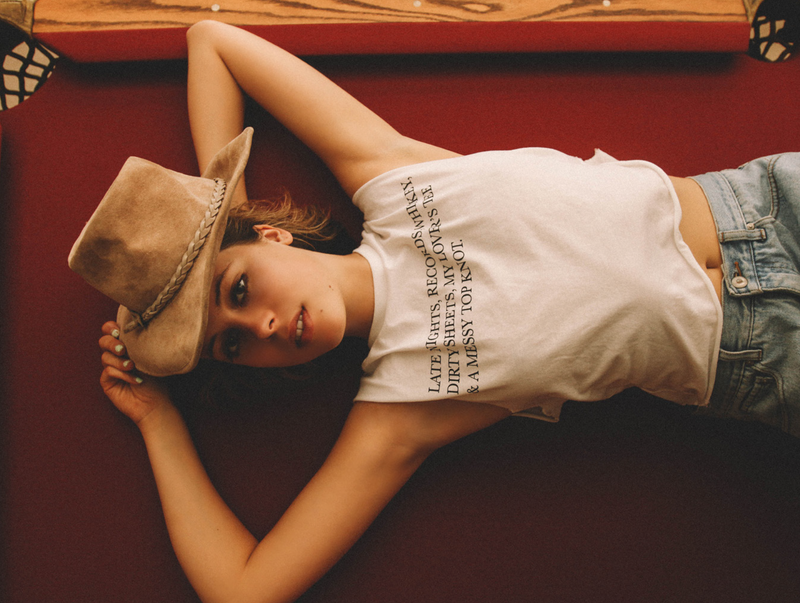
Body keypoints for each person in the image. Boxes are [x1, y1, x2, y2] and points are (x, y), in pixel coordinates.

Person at [68, 20, 800, 603]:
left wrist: (219, 204)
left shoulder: (385, 175)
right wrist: (159, 420)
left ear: (269, 234)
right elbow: (242, 588)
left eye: (237, 290)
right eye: (233, 347)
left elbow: (213, 40)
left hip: (766, 205)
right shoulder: (400, 406)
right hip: (764, 354)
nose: (259, 325)